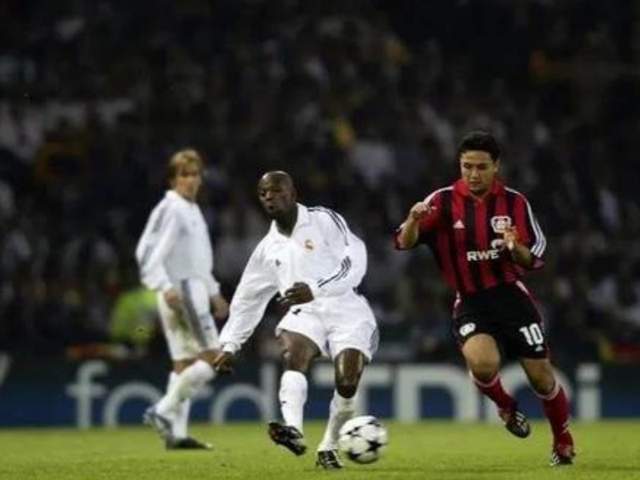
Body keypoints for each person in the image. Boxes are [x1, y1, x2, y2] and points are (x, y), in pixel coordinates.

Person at [394, 130, 576, 467]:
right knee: (481, 363)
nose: (473, 174)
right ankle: (506, 405)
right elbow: (404, 242)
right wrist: (413, 220)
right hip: (471, 301)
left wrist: (514, 247)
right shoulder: (441, 201)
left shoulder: (515, 203)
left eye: (481, 167)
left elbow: (533, 258)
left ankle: (562, 440)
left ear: (496, 166)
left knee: (541, 377)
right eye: (467, 166)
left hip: (511, 299)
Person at [213, 171, 379, 469]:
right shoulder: (267, 248)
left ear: (293, 193)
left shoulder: (323, 220)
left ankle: (328, 445)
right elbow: (248, 300)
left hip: (346, 308)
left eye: (276, 190)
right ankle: (293, 430)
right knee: (293, 354)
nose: (269, 196)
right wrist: (230, 345)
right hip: (306, 313)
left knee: (347, 381)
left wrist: (316, 288)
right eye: (263, 193)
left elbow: (356, 258)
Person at [135, 149, 229, 450]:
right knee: (213, 358)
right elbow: (146, 252)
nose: (190, 180)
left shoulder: (191, 209)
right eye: (184, 175)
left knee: (184, 363)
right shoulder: (171, 208)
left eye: (195, 174)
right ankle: (162, 410)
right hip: (182, 290)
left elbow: (198, 259)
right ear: (173, 179)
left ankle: (176, 435)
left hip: (189, 289)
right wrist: (163, 285)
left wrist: (213, 292)